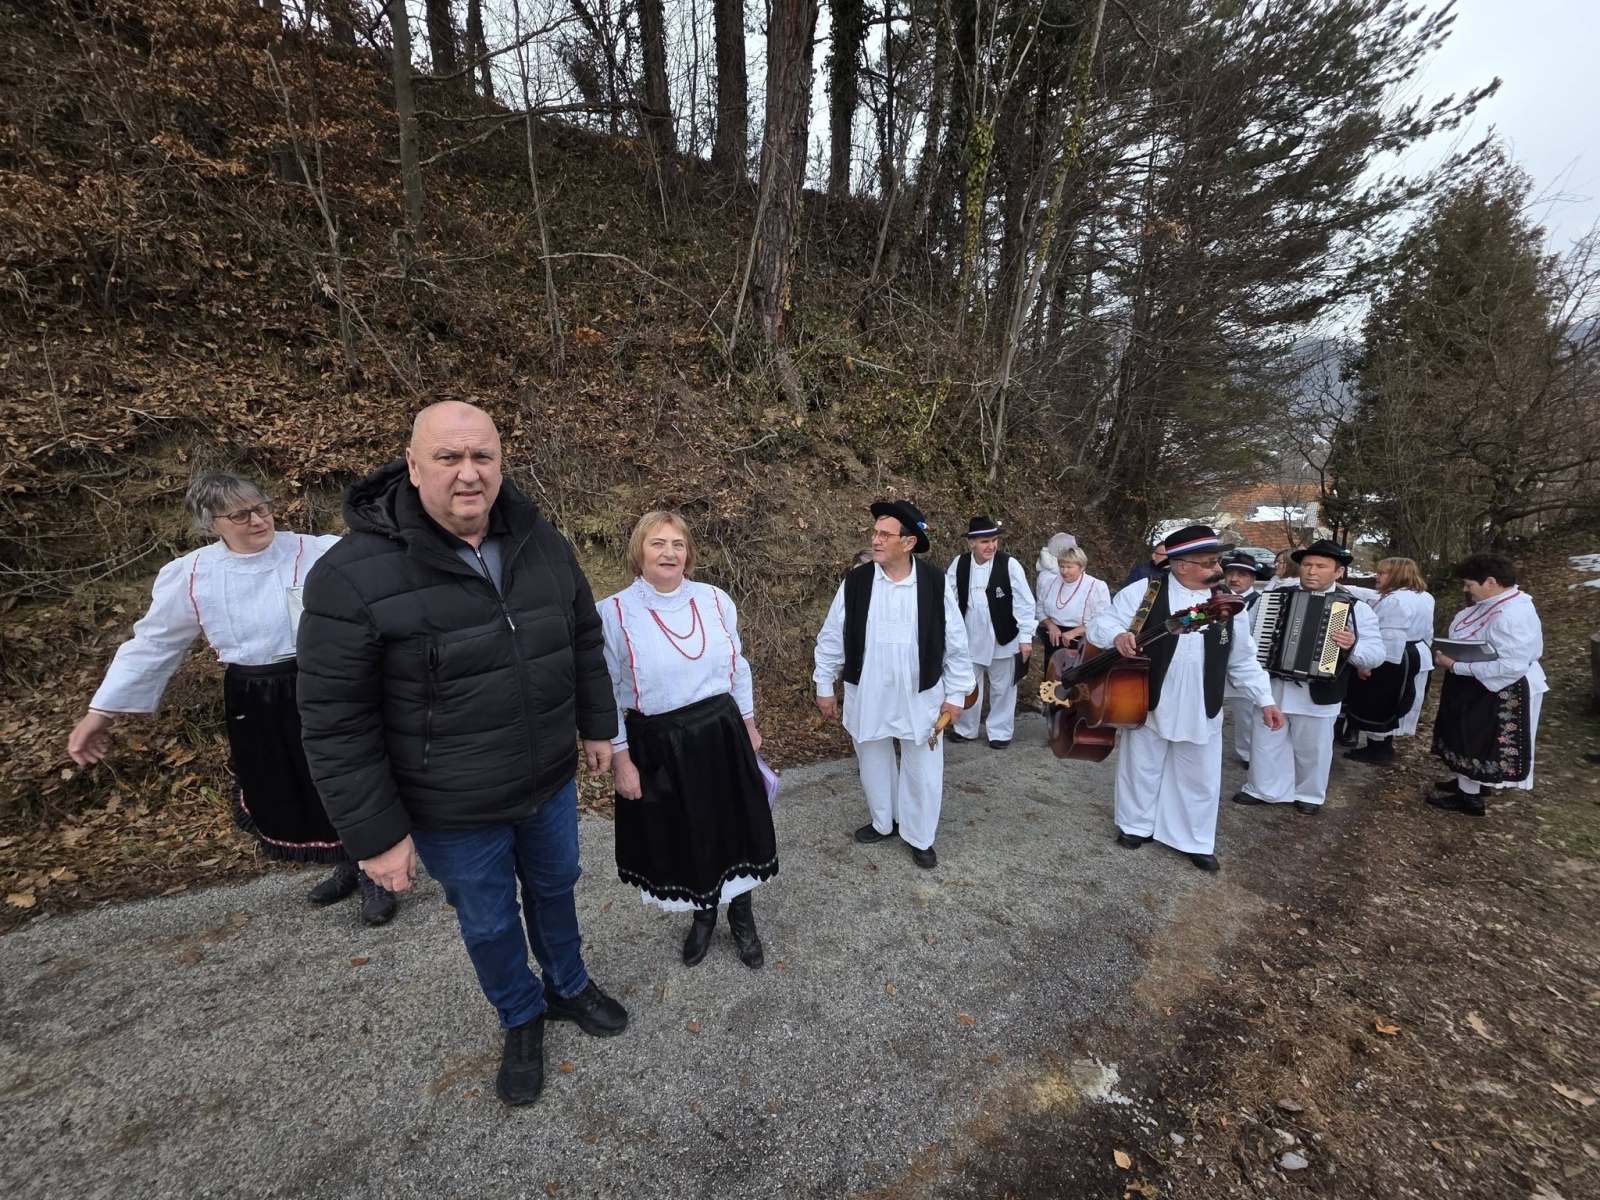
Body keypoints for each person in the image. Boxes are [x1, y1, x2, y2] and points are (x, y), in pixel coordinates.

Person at [295, 401, 627, 1109]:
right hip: (451, 804)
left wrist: (598, 725)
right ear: (413, 467)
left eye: (483, 457)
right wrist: (376, 836)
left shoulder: (539, 538)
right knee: (489, 919)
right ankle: (520, 1014)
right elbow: (336, 721)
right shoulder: (350, 576)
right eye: (449, 458)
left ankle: (567, 985)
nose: (469, 474)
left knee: (556, 886)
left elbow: (580, 635)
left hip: (547, 781)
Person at [66, 472, 396, 924]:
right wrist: (100, 713)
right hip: (253, 694)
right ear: (211, 523)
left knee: (347, 777)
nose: (258, 520)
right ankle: (346, 862)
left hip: (322, 682)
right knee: (294, 783)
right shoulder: (193, 574)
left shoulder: (318, 552)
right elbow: (155, 643)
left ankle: (376, 871)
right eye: (240, 515)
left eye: (261, 508)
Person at [599, 511, 777, 969]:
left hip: (721, 732)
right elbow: (607, 693)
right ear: (639, 551)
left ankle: (742, 916)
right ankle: (704, 914)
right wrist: (621, 758)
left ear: (689, 553)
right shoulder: (613, 613)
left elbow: (737, 667)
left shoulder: (715, 599)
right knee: (690, 834)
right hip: (660, 744)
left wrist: (749, 722)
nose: (669, 553)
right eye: (658, 543)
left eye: (678, 544)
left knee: (735, 828)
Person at [1086, 525, 1283, 872]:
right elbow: (1099, 625)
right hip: (1149, 693)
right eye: (1208, 562)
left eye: (1216, 561)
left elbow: (1242, 658)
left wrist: (1264, 699)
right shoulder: (1145, 591)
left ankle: (1193, 839)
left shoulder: (1228, 602)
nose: (1217, 569)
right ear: (1180, 565)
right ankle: (1135, 825)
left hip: (1202, 698)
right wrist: (1117, 635)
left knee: (1199, 774)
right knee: (1141, 764)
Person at [813, 500, 974, 869]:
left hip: (920, 694)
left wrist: (955, 694)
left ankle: (920, 836)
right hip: (869, 691)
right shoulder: (856, 582)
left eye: (885, 535)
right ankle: (883, 821)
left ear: (909, 542)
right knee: (872, 758)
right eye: (875, 533)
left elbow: (956, 642)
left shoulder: (934, 583)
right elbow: (832, 636)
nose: (876, 540)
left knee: (923, 768)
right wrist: (824, 684)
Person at [1232, 540, 1384, 815]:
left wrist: (1352, 646)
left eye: (1321, 566)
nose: (1312, 571)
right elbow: (1248, 636)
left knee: (1313, 748)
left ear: (1338, 572)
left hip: (1318, 692)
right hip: (1273, 686)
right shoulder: (1273, 598)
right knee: (1266, 741)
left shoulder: (1356, 608)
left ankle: (1309, 794)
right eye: (1307, 565)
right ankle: (1262, 788)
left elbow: (1375, 656)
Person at [1429, 553, 1547, 816]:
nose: (1465, 589)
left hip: (1497, 686)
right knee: (1463, 732)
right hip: (1475, 679)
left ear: (1491, 582)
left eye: (1469, 584)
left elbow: (1511, 665)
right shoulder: (1495, 603)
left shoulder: (1512, 615)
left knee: (1477, 737)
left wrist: (1456, 666)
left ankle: (1470, 797)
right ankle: (1469, 782)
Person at [945, 516, 1037, 749]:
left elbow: (1025, 602)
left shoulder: (1009, 564)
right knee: (968, 684)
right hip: (969, 636)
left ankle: (1000, 732)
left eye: (994, 540)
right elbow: (949, 600)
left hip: (1003, 635)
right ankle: (965, 729)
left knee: (1003, 687)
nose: (991, 546)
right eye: (985, 541)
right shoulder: (959, 564)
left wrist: (1025, 638)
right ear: (971, 543)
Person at [1340, 557, 1435, 764]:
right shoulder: (1424, 596)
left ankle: (1378, 750)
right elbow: (1428, 630)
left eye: (1382, 573)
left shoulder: (1395, 601)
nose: (1377, 576)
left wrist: (1367, 665)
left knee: (1381, 700)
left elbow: (1388, 635)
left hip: (1394, 656)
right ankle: (1382, 746)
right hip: (1417, 651)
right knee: (1397, 700)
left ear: (1397, 575)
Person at [1218, 550, 1266, 769]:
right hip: (1218, 667)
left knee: (1247, 714)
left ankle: (1248, 755)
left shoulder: (1262, 603)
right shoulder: (1216, 598)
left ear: (1253, 579)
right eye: (1230, 573)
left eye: (1242, 575)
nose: (1234, 578)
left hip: (1245, 665)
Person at [1035, 537, 1112, 659]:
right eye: (1061, 566)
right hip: (1053, 638)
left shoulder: (1096, 587)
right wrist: (1050, 624)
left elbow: (1102, 618)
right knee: (1052, 669)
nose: (1064, 571)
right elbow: (1040, 608)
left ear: (1082, 567)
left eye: (1069, 567)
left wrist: (1074, 632)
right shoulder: (1050, 582)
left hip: (1082, 641)